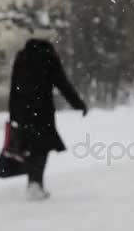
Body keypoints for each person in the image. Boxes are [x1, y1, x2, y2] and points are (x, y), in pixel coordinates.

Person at [9, 34, 88, 200]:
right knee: (42, 148)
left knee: (30, 147)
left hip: (24, 111)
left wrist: (13, 112)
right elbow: (62, 83)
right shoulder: (48, 57)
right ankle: (35, 184)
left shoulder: (21, 57)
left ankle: (34, 183)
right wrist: (78, 104)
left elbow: (14, 86)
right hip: (42, 110)